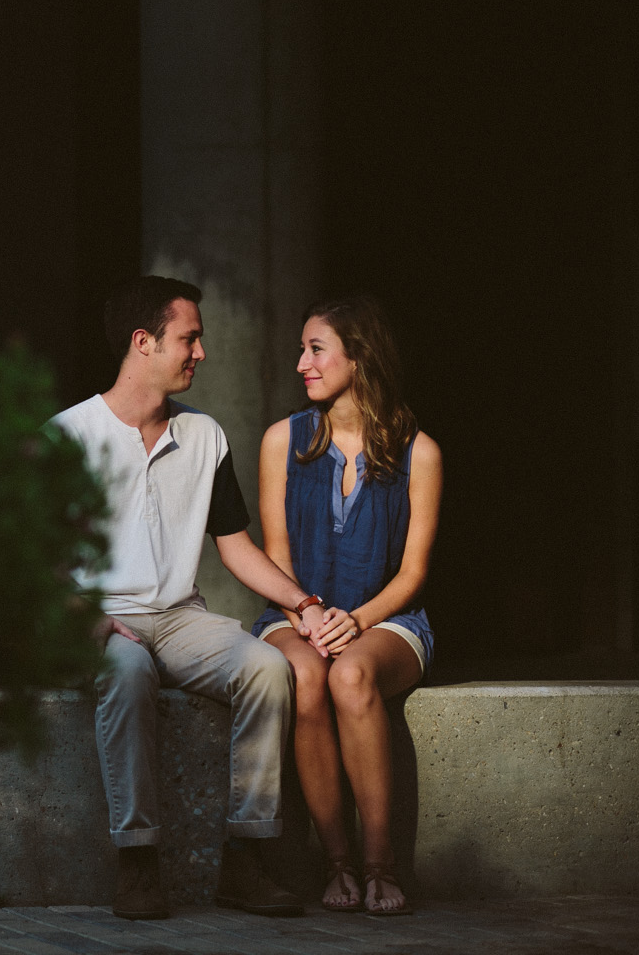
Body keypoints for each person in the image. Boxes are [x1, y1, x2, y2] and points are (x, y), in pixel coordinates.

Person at [49, 275, 332, 920]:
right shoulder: (66, 438)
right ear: (143, 342)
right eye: (190, 338)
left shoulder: (205, 435)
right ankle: (138, 860)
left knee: (266, 667)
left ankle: (246, 856)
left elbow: (235, 547)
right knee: (125, 672)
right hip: (99, 620)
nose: (201, 352)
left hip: (179, 618)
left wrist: (302, 605)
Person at [252, 296, 442, 916]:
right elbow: (275, 554)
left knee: (351, 674)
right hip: (293, 613)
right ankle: (335, 864)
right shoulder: (283, 440)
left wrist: (357, 620)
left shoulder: (420, 452)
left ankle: (380, 865)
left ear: (358, 358)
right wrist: (305, 611)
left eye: (315, 349)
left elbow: (413, 572)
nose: (301, 363)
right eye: (301, 350)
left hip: (387, 620)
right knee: (306, 676)